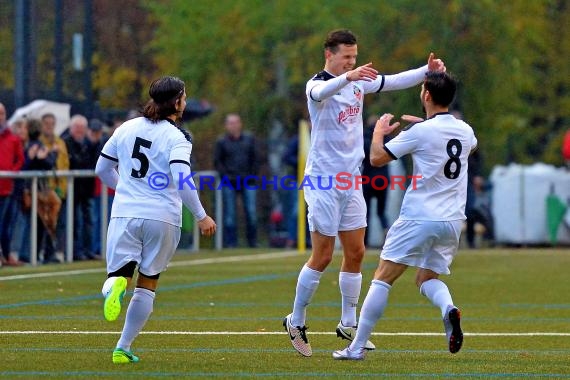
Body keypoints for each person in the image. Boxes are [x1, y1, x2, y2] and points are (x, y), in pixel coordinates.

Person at [283, 29, 446, 357]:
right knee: (324, 255)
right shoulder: (318, 84)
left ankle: (348, 324)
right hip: (323, 182)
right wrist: (347, 78)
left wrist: (427, 73)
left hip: (351, 180)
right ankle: (296, 319)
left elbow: (394, 80)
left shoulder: (358, 81)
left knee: (356, 253)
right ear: (329, 55)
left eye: (354, 58)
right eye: (346, 58)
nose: (352, 64)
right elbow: (319, 94)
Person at [332, 71, 476, 360]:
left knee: (382, 278)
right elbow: (463, 147)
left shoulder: (419, 133)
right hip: (451, 222)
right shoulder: (465, 130)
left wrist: (379, 133)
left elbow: (376, 158)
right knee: (426, 278)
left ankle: (356, 347)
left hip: (419, 217)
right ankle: (448, 309)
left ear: (425, 95)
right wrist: (428, 128)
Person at [95, 76, 216, 364]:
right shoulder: (178, 137)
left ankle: (113, 285)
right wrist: (201, 215)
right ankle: (123, 347)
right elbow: (182, 178)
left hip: (126, 212)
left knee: (119, 274)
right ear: (176, 102)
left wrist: (125, 188)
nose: (185, 102)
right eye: (184, 97)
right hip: (162, 217)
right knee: (147, 282)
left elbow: (102, 169)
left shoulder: (127, 127)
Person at [214, 113, 259, 248]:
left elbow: (256, 159)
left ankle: (252, 242)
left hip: (248, 181)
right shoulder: (221, 142)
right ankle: (231, 243)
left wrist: (252, 175)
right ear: (226, 126)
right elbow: (217, 162)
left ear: (240, 124)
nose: (234, 126)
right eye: (231, 123)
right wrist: (226, 176)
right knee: (230, 214)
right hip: (229, 182)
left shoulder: (249, 139)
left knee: (251, 212)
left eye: (236, 122)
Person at [64, 114, 101, 261]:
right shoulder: (66, 142)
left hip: (87, 189)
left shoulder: (89, 144)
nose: (80, 131)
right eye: (77, 128)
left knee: (89, 221)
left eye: (82, 128)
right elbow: (74, 162)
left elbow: (93, 161)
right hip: (73, 190)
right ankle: (75, 251)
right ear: (71, 128)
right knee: (76, 222)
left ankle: (88, 250)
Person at [39, 112, 69, 263]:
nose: (49, 126)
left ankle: (57, 252)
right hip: (45, 190)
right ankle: (45, 252)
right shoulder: (39, 142)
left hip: (60, 190)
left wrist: (63, 188)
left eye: (52, 123)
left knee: (60, 223)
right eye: (47, 123)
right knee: (46, 223)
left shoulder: (60, 142)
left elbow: (65, 165)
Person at [0, 102, 25, 266]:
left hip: (6, 188)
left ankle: (7, 255)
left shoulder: (13, 138)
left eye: (2, 113)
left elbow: (20, 159)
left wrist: (10, 173)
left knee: (5, 224)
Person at [362, 115, 390, 247]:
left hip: (368, 178)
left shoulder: (365, 140)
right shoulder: (386, 140)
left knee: (365, 212)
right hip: (383, 178)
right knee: (381, 212)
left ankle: (364, 241)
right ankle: (387, 234)